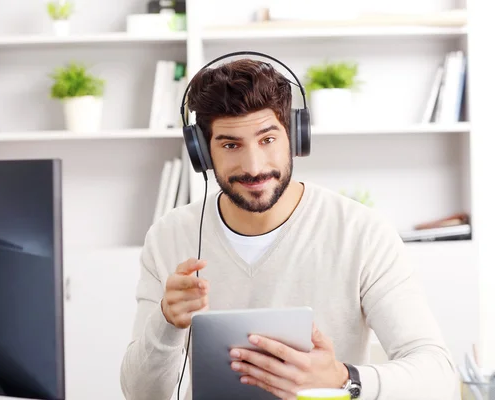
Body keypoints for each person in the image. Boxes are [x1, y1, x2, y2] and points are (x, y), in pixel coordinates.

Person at [119, 57, 457, 400]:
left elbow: (440, 378)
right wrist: (167, 324)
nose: (254, 167)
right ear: (203, 153)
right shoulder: (170, 236)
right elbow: (142, 395)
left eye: (267, 139)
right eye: (231, 145)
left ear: (296, 136)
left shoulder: (363, 233)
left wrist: (343, 379)